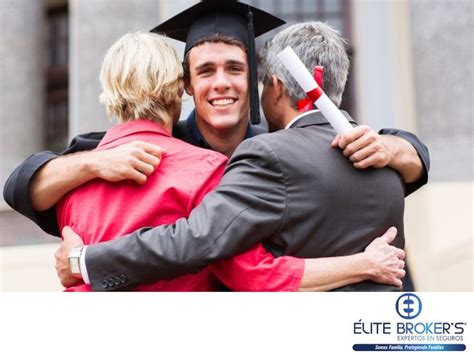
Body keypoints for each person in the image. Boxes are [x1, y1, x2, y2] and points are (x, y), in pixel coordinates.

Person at [3, 2, 427, 288]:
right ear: (185, 85)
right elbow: (23, 187)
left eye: (234, 69)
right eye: (205, 71)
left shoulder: (280, 150)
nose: (221, 82)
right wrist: (93, 165)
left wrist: (397, 150)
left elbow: (400, 159)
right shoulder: (140, 151)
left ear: (256, 81)